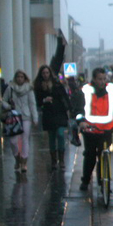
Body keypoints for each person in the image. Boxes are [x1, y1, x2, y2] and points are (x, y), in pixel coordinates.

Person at [74, 68, 113, 191]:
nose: (102, 81)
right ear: (94, 79)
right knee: (90, 155)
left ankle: (103, 182)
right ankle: (86, 180)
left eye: (104, 79)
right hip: (90, 129)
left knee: (103, 154)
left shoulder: (111, 90)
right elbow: (78, 108)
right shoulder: (86, 91)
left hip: (107, 129)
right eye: (100, 79)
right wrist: (81, 121)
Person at [34, 37, 70, 170]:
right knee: (51, 137)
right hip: (48, 114)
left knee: (60, 134)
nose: (45, 74)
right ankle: (54, 160)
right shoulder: (38, 86)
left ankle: (61, 160)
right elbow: (36, 101)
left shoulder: (56, 83)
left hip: (59, 113)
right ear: (41, 74)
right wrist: (44, 101)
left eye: (47, 72)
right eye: (43, 73)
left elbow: (57, 60)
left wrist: (62, 46)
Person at [2, 70, 39, 172]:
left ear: (25, 78)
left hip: (26, 117)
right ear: (15, 78)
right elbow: (3, 101)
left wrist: (35, 118)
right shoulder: (11, 88)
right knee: (13, 141)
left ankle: (24, 163)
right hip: (14, 117)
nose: (20, 79)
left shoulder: (29, 89)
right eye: (18, 77)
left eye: (22, 77)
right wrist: (9, 106)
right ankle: (17, 158)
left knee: (24, 140)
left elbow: (32, 104)